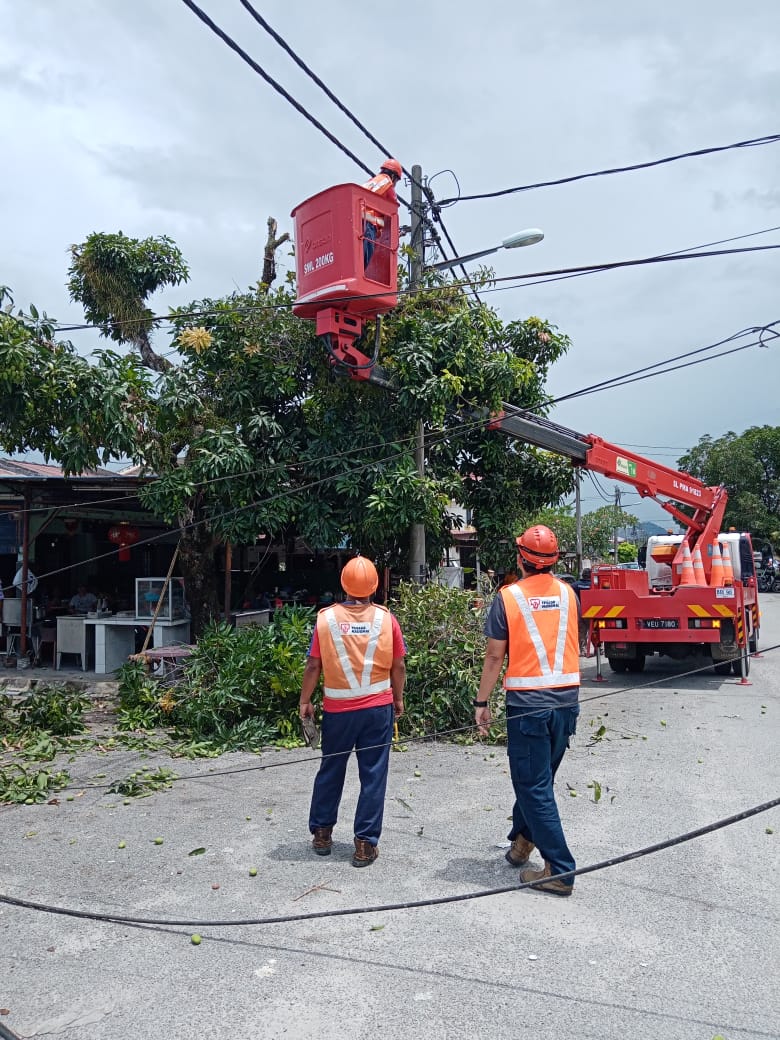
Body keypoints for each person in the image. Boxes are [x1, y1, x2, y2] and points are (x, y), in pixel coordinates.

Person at [474, 524, 581, 897]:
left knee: (533, 786)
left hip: (528, 708)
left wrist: (481, 702)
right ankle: (522, 843)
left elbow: (493, 656)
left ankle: (560, 870)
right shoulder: (569, 594)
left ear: (521, 558)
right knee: (540, 781)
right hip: (566, 705)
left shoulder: (508, 597)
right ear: (554, 560)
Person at [299, 556, 406, 867]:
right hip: (377, 709)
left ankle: (322, 833)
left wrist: (305, 700)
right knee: (373, 775)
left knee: (331, 770)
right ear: (375, 586)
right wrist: (397, 699)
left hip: (337, 711)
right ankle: (364, 844)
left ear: (343, 585)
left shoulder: (326, 620)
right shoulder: (387, 620)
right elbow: (398, 665)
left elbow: (314, 665)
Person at [361, 158, 402, 269]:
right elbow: (393, 209)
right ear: (393, 177)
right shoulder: (388, 183)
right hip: (369, 221)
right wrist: (394, 232)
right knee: (365, 257)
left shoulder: (370, 182)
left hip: (358, 217)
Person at [573, 568, 592, 655]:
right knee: (594, 631)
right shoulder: (593, 585)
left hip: (579, 611)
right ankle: (599, 649)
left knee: (581, 632)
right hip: (592, 612)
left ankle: (583, 650)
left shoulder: (574, 585)